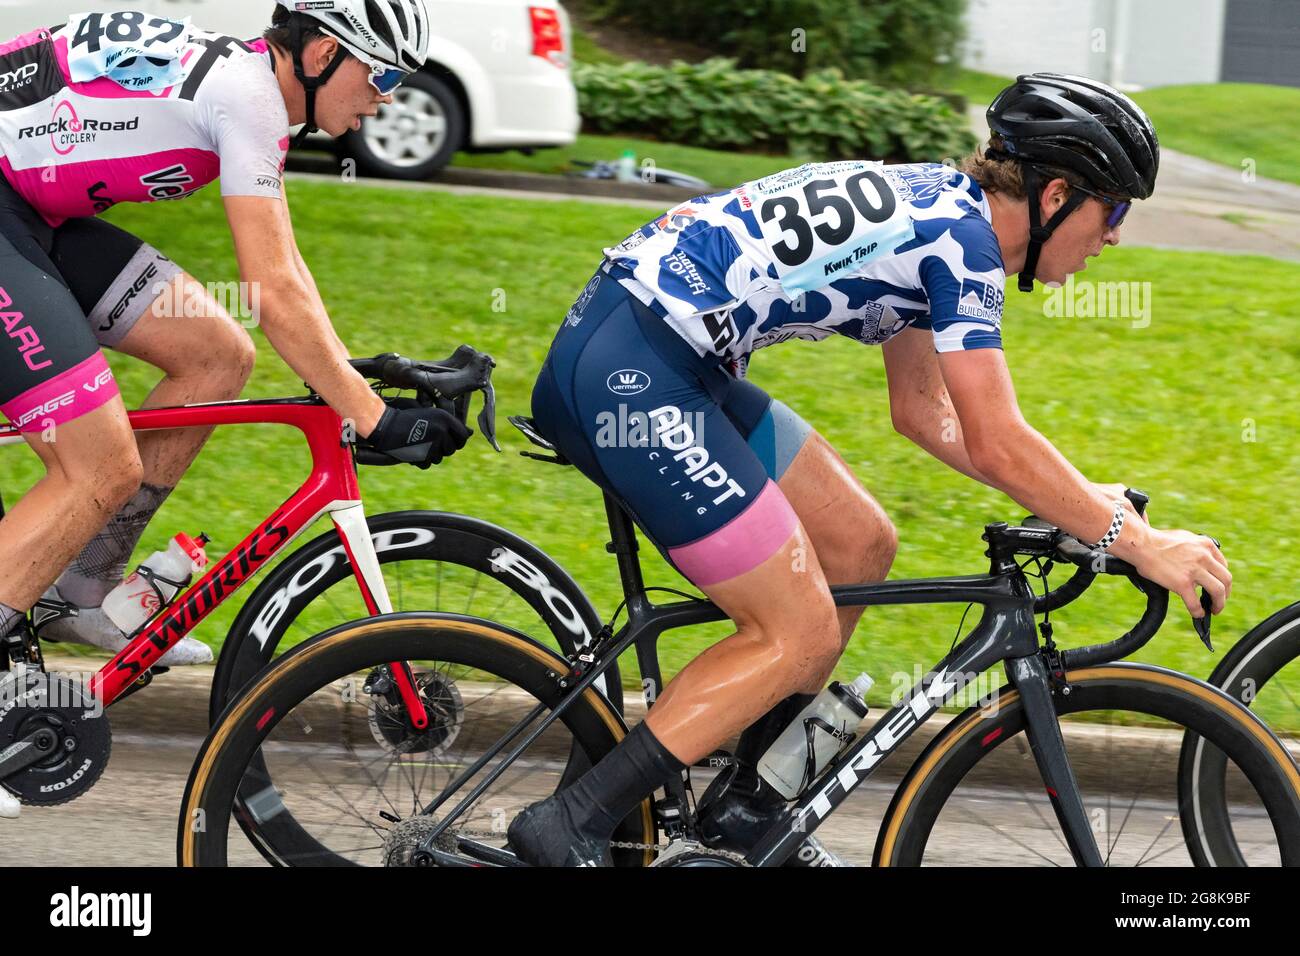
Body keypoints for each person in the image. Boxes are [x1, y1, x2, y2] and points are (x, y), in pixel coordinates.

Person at [512, 73, 1232, 866]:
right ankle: (571, 822)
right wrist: (1135, 538)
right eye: (1116, 209)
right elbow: (995, 440)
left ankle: (748, 807)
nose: (1117, 236)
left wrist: (1085, 503)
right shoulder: (965, 246)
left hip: (663, 357)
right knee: (796, 631)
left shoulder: (949, 212)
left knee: (859, 544)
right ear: (1057, 193)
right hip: (634, 370)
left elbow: (927, 415)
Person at [0, 1, 469, 677]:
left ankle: (81, 587)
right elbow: (272, 291)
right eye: (383, 77)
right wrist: (375, 419)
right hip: (12, 208)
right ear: (321, 55)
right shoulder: (248, 98)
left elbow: (287, 271)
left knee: (216, 356)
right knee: (97, 467)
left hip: (33, 207)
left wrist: (354, 383)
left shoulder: (242, 83)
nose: (383, 101)